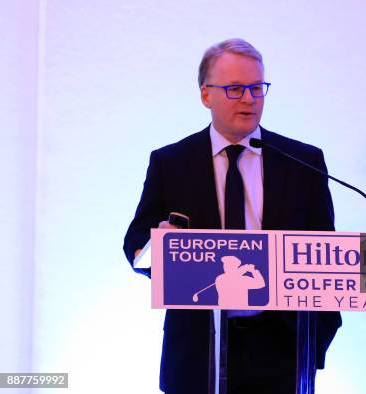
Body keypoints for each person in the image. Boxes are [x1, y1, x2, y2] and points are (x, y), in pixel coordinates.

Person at [123, 38, 341, 394]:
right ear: (206, 95)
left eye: (257, 88)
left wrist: (315, 344)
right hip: (197, 350)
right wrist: (160, 249)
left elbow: (326, 256)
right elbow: (135, 248)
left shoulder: (303, 162)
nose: (249, 99)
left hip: (282, 350)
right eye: (236, 89)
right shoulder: (171, 163)